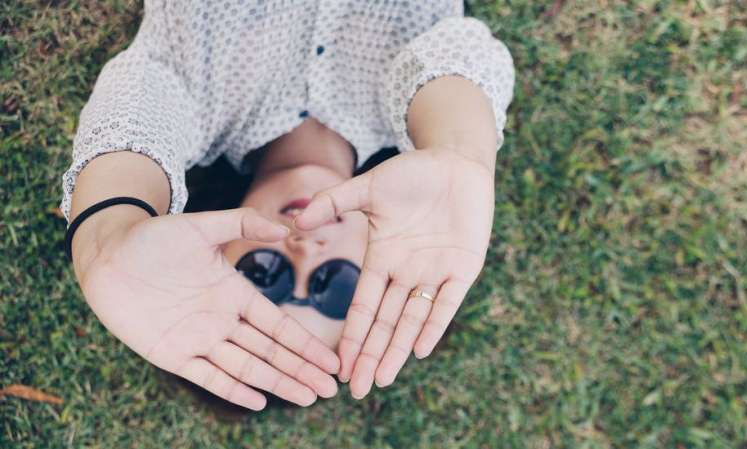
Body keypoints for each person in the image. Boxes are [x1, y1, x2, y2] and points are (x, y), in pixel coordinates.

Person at [62, 0, 515, 411]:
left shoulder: (194, 101)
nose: (304, 251)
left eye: (263, 275)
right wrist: (460, 150)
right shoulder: (418, 118)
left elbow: (140, 106)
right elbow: (458, 53)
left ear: (215, 255)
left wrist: (106, 233)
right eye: (336, 285)